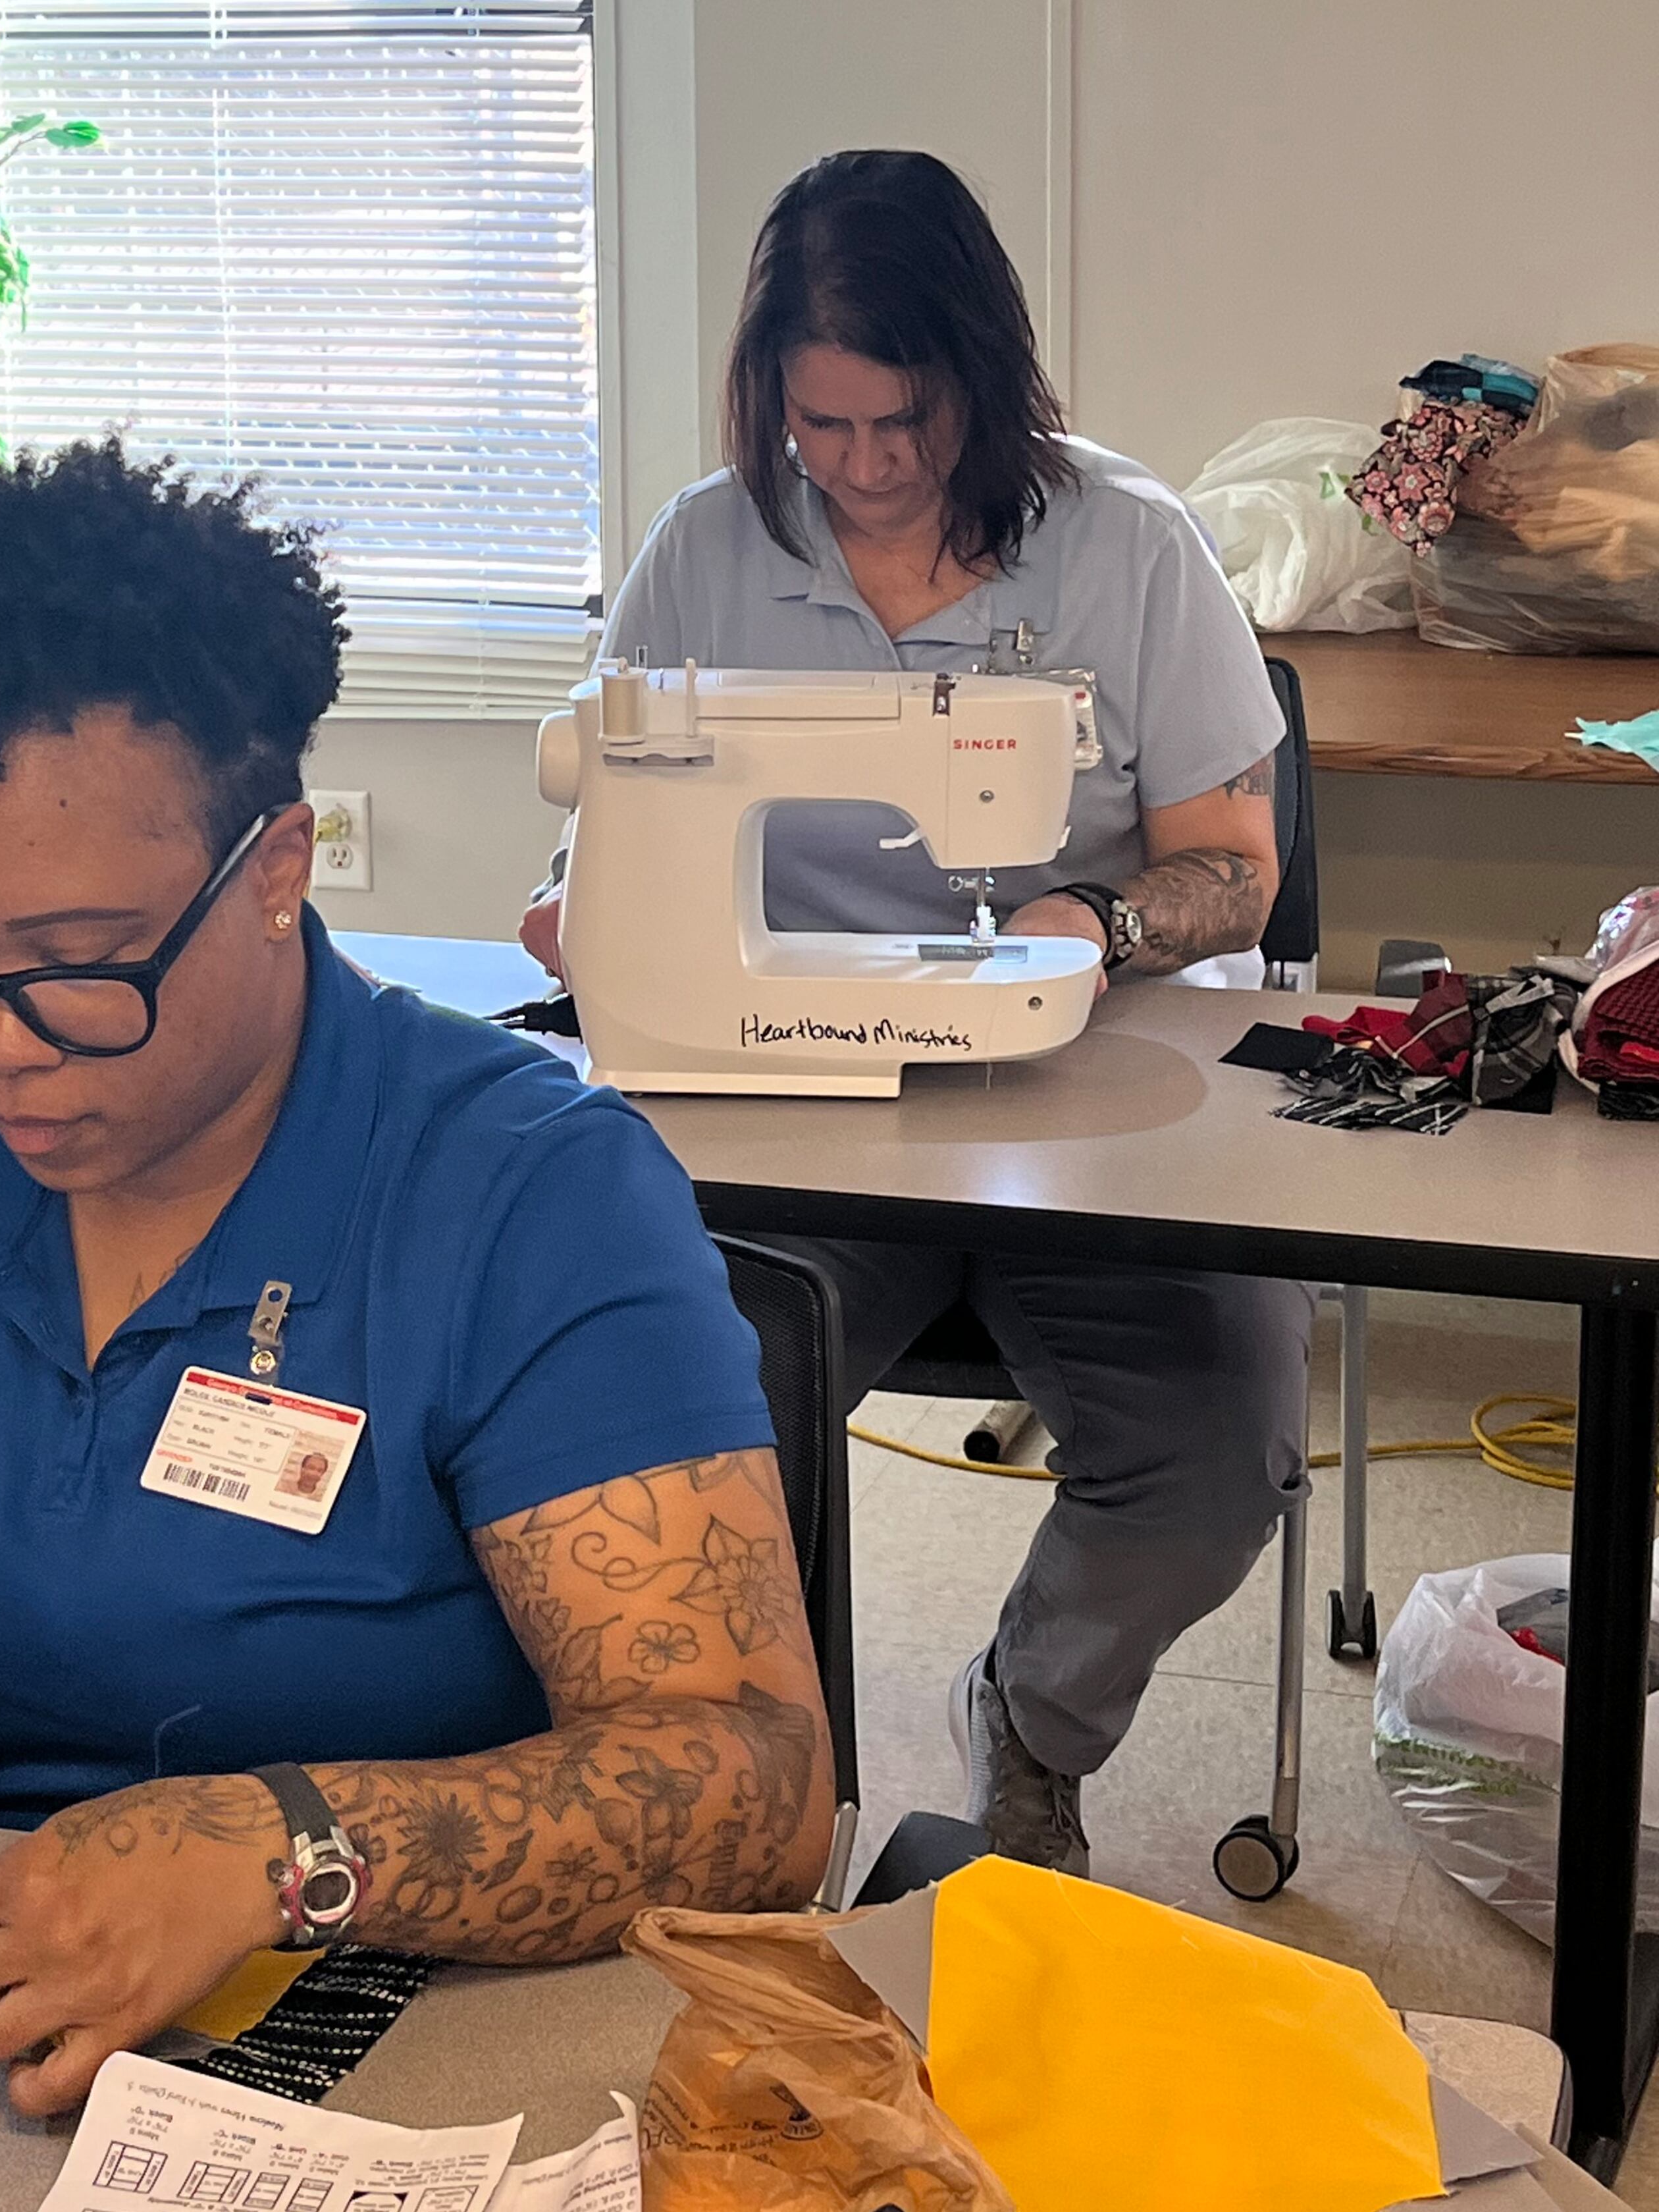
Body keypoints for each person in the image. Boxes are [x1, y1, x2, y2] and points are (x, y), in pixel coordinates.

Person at [0, 441, 832, 2115]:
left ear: (278, 868)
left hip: (404, 2046)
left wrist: (283, 1850)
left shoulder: (526, 1197)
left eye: (77, 966)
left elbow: (754, 1790)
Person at [521, 151, 1309, 1879]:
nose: (868, 471)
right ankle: (732, 1766)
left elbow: (1235, 875)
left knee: (1215, 1445)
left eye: (910, 426)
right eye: (826, 428)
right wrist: (591, 919)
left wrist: (1092, 915)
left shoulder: (1132, 548)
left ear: (985, 382)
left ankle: (1029, 1716)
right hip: (789, 1104)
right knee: (664, 1406)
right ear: (771, 401)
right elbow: (600, 843)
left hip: (1090, 1095)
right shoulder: (706, 552)